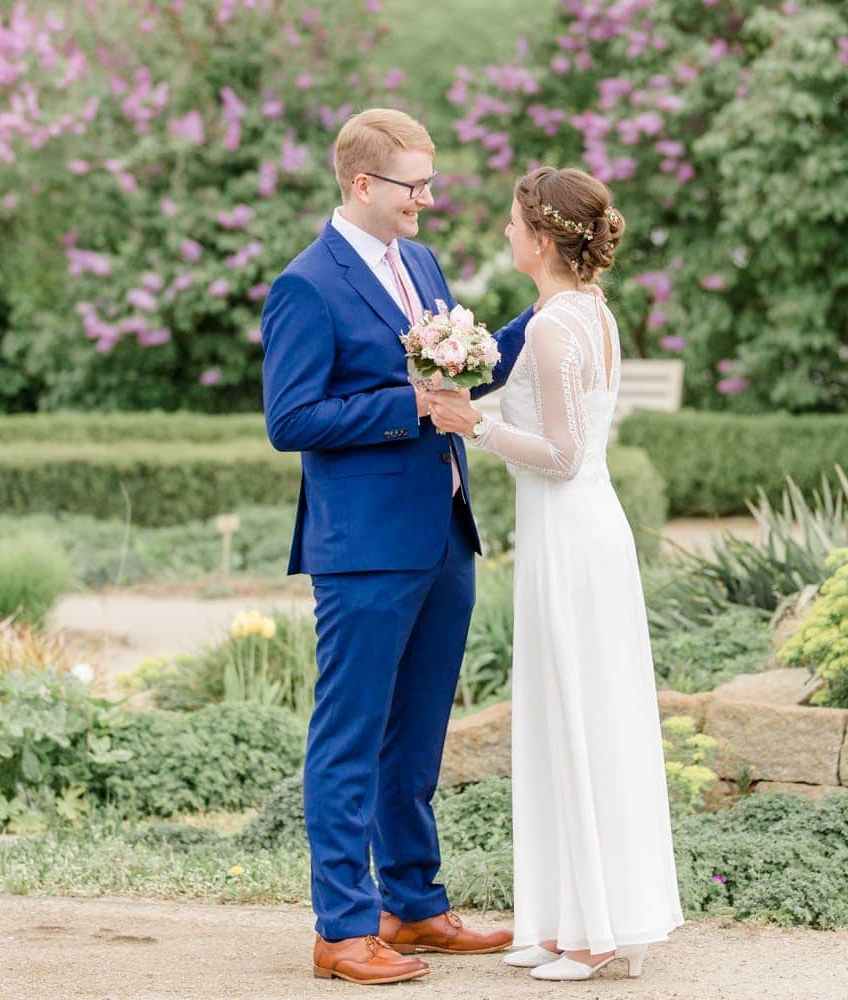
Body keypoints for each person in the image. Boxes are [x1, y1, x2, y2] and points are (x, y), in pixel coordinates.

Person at [259, 108, 533, 986]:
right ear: (362, 183)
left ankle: (413, 905)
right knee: (350, 737)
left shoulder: (421, 263)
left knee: (415, 737)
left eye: (429, 182)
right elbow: (290, 420)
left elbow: (462, 372)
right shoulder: (306, 285)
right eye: (413, 185)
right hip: (365, 549)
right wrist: (408, 405)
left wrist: (550, 309)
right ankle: (342, 930)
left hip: (445, 532)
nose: (426, 199)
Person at [425, 166, 684, 983]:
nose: (505, 232)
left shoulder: (552, 328)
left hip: (573, 537)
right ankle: (560, 920)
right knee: (558, 718)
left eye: (513, 222)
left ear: (542, 239)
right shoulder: (584, 311)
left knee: (578, 718)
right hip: (566, 534)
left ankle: (596, 931)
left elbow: (566, 457)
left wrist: (474, 426)